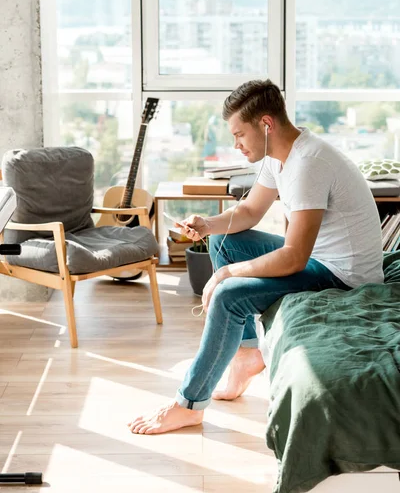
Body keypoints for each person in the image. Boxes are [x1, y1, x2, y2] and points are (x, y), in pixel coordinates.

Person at [127, 79, 384, 435]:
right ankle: (248, 354)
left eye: (239, 134)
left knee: (229, 296)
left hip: (342, 275)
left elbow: (294, 257)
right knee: (221, 242)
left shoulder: (309, 164)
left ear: (266, 124)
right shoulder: (280, 158)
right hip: (318, 258)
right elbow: (248, 211)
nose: (236, 144)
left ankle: (188, 404)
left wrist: (225, 275)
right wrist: (207, 224)